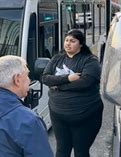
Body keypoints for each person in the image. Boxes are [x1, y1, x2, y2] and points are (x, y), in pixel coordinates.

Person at [42, 29, 102, 157]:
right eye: (66, 40)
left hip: (85, 116)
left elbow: (85, 82)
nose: (68, 43)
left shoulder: (90, 61)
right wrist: (67, 78)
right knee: (61, 150)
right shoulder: (57, 58)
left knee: (81, 151)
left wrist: (58, 86)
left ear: (80, 44)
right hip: (58, 115)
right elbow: (46, 78)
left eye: (72, 41)